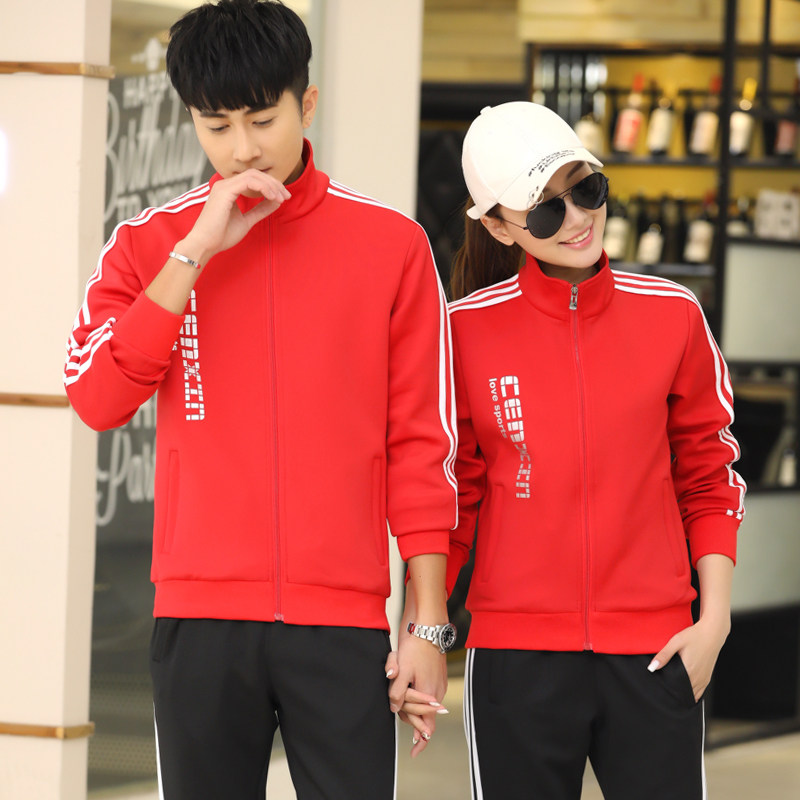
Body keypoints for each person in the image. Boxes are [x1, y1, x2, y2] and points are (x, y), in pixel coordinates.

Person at [64, 2, 458, 797]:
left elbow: (421, 445)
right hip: (199, 619)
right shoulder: (150, 244)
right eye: (216, 126)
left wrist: (427, 624)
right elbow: (100, 398)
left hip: (340, 622)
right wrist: (196, 253)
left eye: (261, 120)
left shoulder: (392, 245)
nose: (242, 148)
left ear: (306, 104)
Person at [445, 102, 746, 800]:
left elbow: (710, 475)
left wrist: (713, 622)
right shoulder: (462, 332)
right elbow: (452, 496)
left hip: (655, 651)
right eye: (546, 210)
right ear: (498, 225)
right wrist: (421, 629)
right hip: (516, 659)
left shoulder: (673, 314)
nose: (578, 218)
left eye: (587, 189)